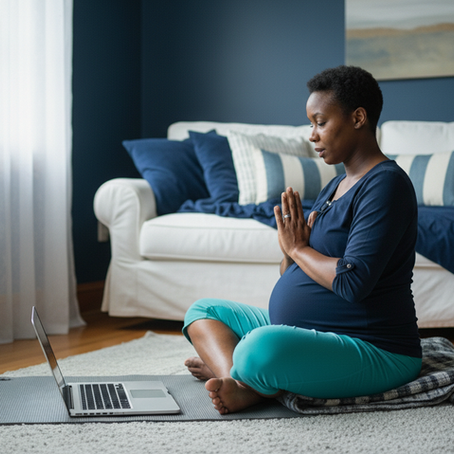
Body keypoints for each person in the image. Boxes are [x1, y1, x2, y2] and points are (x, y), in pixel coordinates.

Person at [183, 65, 422, 415]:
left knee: (256, 347)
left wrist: (299, 248)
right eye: (311, 124)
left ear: (358, 118)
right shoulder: (334, 187)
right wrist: (290, 252)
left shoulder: (385, 184)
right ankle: (243, 381)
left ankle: (244, 374)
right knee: (203, 311)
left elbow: (353, 282)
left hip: (374, 347)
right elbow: (292, 274)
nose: (312, 135)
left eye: (320, 122)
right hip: (308, 332)